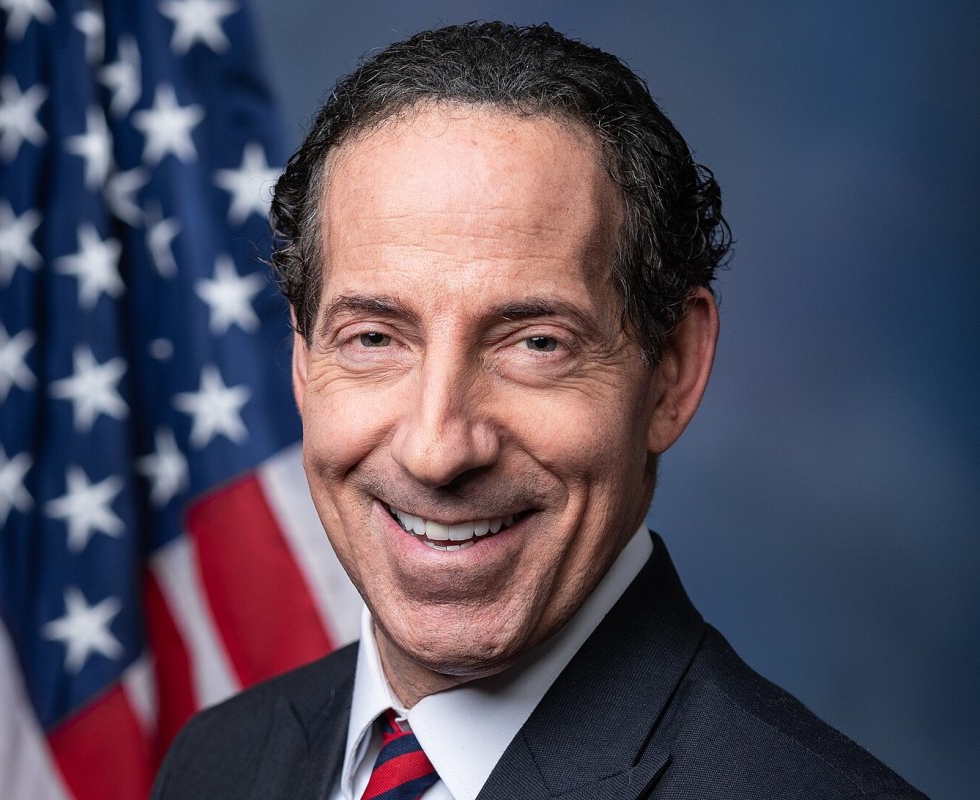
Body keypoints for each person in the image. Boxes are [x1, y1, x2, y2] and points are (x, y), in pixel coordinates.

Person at [152, 21, 925, 800]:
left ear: (673, 372)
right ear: (303, 359)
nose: (437, 449)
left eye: (535, 345)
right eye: (376, 337)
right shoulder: (219, 762)